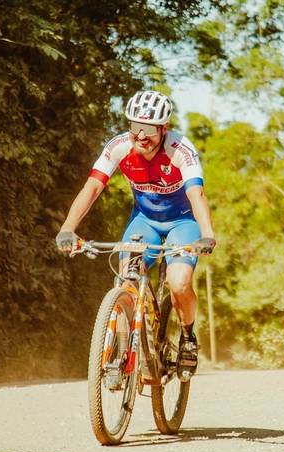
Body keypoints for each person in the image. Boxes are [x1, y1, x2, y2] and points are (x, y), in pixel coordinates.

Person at [56, 90, 215, 381]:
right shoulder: (119, 146)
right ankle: (120, 351)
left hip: (182, 222)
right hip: (145, 222)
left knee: (179, 282)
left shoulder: (181, 149)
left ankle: (188, 338)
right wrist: (68, 228)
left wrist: (207, 234)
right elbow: (92, 187)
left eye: (149, 129)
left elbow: (197, 193)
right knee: (126, 277)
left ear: (164, 128)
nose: (141, 136)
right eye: (135, 126)